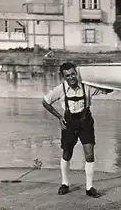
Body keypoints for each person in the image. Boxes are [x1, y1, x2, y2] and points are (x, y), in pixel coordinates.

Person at [42, 61, 113, 198]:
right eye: (68, 76)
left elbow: (107, 90)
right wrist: (58, 117)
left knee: (89, 154)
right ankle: (65, 183)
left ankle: (89, 187)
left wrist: (111, 81)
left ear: (77, 74)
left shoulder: (87, 87)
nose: (71, 78)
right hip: (69, 123)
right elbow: (45, 102)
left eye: (73, 74)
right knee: (67, 153)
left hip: (86, 122)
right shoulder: (60, 89)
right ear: (64, 77)